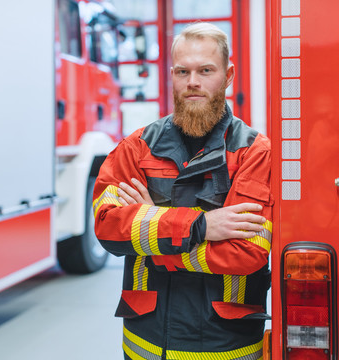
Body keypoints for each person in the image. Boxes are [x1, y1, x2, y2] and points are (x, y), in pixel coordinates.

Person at [93, 22, 272, 360]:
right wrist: (201, 227)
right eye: (182, 71)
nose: (193, 82)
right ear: (171, 76)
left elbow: (247, 253)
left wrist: (151, 232)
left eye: (206, 70)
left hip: (226, 346)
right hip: (146, 342)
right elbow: (107, 228)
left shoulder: (254, 152)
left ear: (228, 75)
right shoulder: (136, 147)